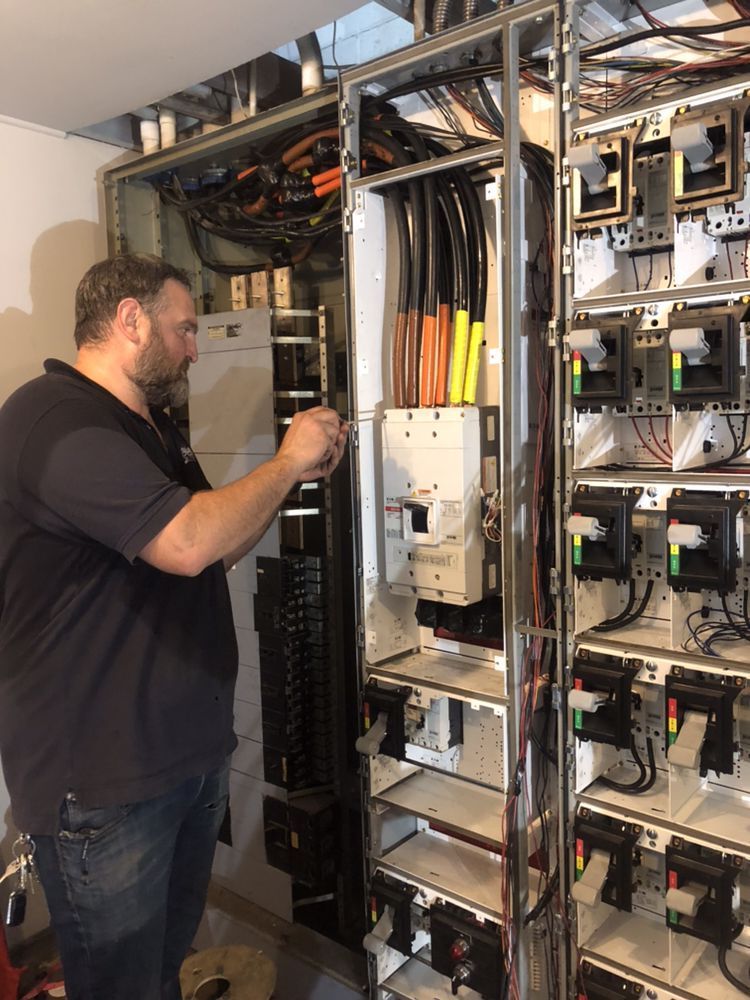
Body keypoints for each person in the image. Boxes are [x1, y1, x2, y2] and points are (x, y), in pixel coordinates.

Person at [0, 253, 348, 1000]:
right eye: (184, 328)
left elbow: (212, 549)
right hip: (104, 787)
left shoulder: (149, 429)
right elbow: (187, 540)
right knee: (121, 986)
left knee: (160, 972)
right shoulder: (52, 420)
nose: (195, 347)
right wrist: (284, 462)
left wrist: (290, 479)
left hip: (184, 764)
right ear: (130, 320)